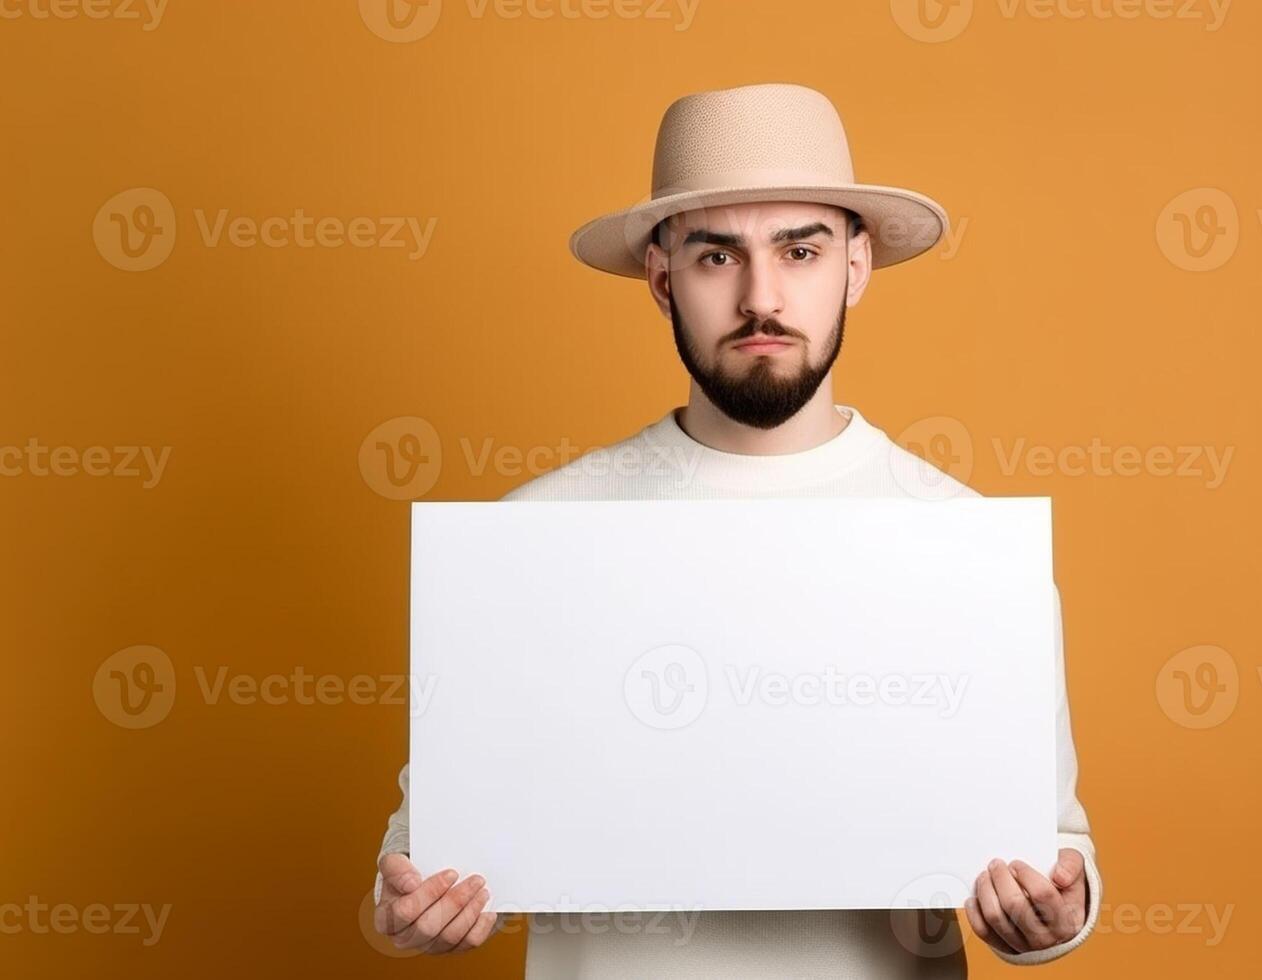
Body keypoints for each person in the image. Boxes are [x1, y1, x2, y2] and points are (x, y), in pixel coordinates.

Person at [372, 82, 1102, 976]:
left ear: (856, 267)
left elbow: (1058, 844)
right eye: (719, 257)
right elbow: (424, 845)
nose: (764, 297)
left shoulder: (965, 546)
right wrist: (414, 900)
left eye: (800, 250)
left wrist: (1053, 917)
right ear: (660, 275)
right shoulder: (535, 535)